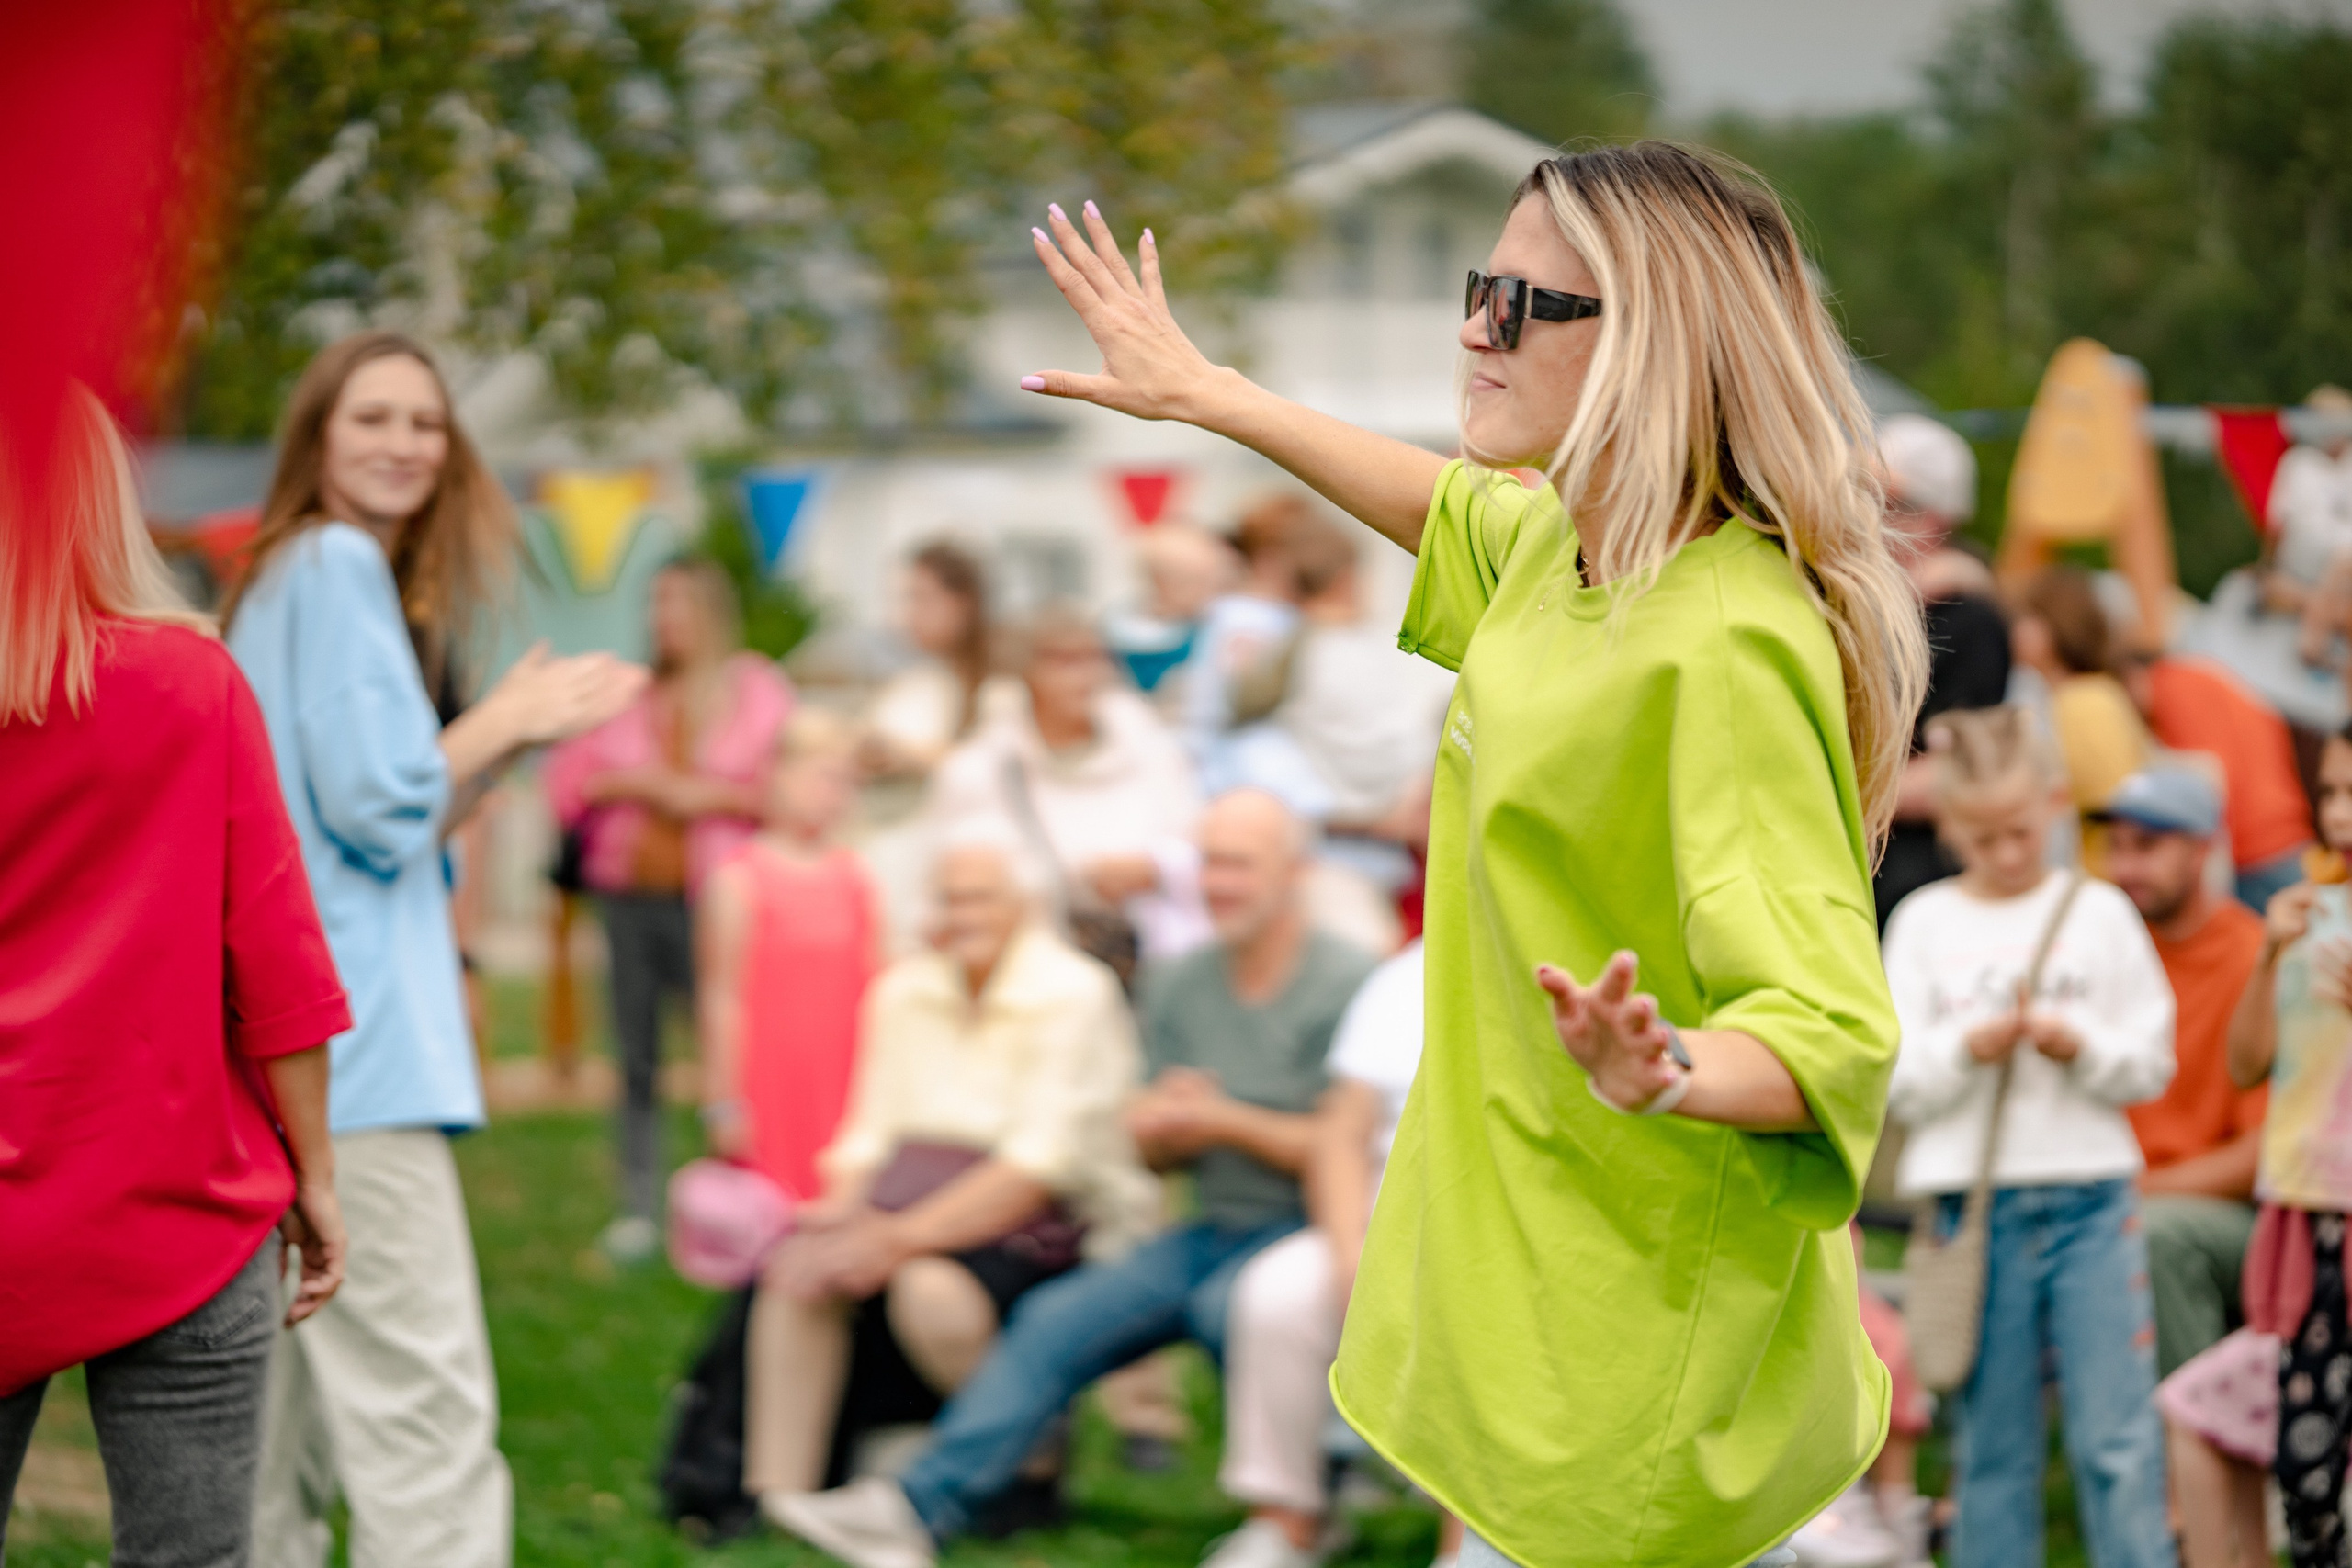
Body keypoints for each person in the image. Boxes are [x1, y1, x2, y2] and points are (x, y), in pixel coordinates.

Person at [987, 147, 1928, 1568]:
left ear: (1653, 345)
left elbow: (1830, 1030)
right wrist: (1208, 392)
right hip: (1536, 1293)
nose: (1478, 329)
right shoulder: (1575, 544)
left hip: (1643, 1335)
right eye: (1478, 287)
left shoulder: (1726, 640)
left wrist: (1667, 1064)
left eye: (1530, 306)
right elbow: (1443, 506)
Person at [223, 330, 643, 1568]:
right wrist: (504, 717)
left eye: (424, 421)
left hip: (278, 1043)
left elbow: (374, 821)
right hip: (358, 1056)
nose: (404, 442)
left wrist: (500, 742)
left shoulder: (284, 572)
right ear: (318, 436)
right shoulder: (340, 563)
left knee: (269, 1432)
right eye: (373, 418)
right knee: (425, 1412)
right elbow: (374, 798)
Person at [768, 790, 1375, 1567]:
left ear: (1295, 873)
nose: (1219, 882)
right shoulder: (1184, 979)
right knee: (1056, 1319)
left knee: (1242, 1310)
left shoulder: (1348, 979)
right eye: (1209, 861)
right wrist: (1160, 1126)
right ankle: (914, 1509)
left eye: (1240, 863)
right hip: (1211, 1224)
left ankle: (1306, 1507)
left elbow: (1349, 1141)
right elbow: (1156, 1153)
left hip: (1314, 1225)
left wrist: (1225, 1119)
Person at [0, 389, 350, 1563]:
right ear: (110, 501)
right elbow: (279, 963)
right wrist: (318, 1175)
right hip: (184, 1200)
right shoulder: (194, 686)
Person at [743, 826, 1157, 1513]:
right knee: (799, 1271)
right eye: (950, 899)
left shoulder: (1075, 991)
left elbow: (1039, 1166)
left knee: (927, 1289)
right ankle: (777, 1495)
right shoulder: (903, 989)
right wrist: (840, 1215)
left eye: (982, 899)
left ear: (1023, 905)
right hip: (906, 1206)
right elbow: (867, 1134)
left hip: (1039, 1224)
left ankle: (1024, 1459)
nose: (964, 916)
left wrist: (895, 1238)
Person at [1883, 705, 2177, 1568]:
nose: (2006, 854)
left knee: (2117, 1438)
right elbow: (1896, 1077)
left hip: (2092, 1194)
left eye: (2019, 831)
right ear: (1950, 825)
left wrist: (2077, 1043)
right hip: (1974, 1211)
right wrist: (1968, 1049)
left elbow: (2150, 1063)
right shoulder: (1924, 922)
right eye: (1979, 838)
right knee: (1992, 1449)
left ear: (2052, 807)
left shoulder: (2100, 913)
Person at [543, 558, 793, 1258]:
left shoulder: (754, 688)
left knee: (733, 1051)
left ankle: (754, 1191)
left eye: (677, 603)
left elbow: (787, 784)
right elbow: (568, 784)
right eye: (656, 604)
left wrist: (703, 796)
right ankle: (638, 1207)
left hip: (719, 900)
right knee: (636, 1054)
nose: (663, 619)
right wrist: (633, 781)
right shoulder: (632, 692)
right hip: (629, 894)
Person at [1207, 938, 1462, 1568]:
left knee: (1470, 1309)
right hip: (1386, 1195)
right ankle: (1287, 1519)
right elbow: (1342, 1127)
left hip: (1490, 1213)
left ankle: (1464, 1541)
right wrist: (1351, 1255)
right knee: (1278, 1291)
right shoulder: (1405, 975)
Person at [2098, 767, 2271, 1568]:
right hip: (2099, 1200)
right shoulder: (2102, 948)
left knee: (2155, 1234)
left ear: (2203, 850)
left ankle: (2184, 1488)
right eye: (2115, 845)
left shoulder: (2249, 954)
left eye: (2149, 845)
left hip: (2223, 1223)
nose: (2127, 866)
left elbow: (2257, 1155)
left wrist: (2128, 1190)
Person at [2224, 723, 2352, 1568]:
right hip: (2307, 1201)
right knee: (2307, 1462)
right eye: (2332, 792)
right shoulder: (2307, 914)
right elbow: (2245, 1063)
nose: (2338, 813)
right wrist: (2269, 953)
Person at [925, 604, 1206, 972]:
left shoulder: (1150, 748)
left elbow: (1198, 841)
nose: (1084, 676)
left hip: (1147, 956)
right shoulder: (982, 768)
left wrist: (1155, 867)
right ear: (1026, 671)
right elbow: (954, 877)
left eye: (1094, 658)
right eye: (1064, 661)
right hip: (1034, 971)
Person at [695, 709, 881, 1202]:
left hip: (843, 1075)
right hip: (771, 1080)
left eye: (847, 782)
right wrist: (724, 1100)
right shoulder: (739, 879)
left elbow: (877, 981)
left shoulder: (855, 876)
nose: (835, 793)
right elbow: (721, 995)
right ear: (779, 774)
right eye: (824, 777)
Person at [1871, 412, 2012, 927]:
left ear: (1931, 518)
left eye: (1886, 503)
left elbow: (1955, 772)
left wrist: (1830, 793)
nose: (1867, 518)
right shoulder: (1875, 605)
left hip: (1915, 885)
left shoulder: (1966, 619)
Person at [2119, 649, 2315, 912]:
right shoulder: (2200, 677)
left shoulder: (2169, 685)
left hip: (2256, 849)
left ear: (2132, 677)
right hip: (2283, 830)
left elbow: (2210, 781)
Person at [2010, 565, 2153, 872]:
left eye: (2026, 619)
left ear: (2053, 626)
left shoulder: (2083, 701)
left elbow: (2117, 803)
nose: (2015, 631)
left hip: (2101, 875)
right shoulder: (2085, 693)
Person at [864, 540, 1007, 782]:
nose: (909, 613)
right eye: (907, 599)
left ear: (963, 602)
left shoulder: (1002, 679)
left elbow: (997, 763)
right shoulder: (924, 676)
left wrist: (910, 754)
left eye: (921, 598)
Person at [2257, 385, 2352, 671]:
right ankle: (2315, 637)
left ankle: (2312, 635)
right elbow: (2279, 526)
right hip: (2309, 565)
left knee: (2343, 559)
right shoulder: (2299, 463)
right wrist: (2267, 567)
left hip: (2338, 570)